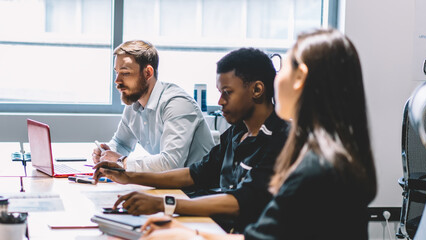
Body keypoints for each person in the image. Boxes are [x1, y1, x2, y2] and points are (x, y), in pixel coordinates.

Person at [139, 28, 377, 240]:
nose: (277, 77)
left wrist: (187, 233)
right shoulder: (331, 156)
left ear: (300, 77)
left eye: (284, 66)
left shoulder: (314, 166)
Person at [93, 48, 290, 232]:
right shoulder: (237, 133)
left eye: (227, 93)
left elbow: (244, 200)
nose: (220, 101)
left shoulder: (282, 139)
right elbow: (195, 174)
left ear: (257, 90)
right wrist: (128, 176)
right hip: (218, 226)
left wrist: (165, 204)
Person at [92, 40, 215, 172]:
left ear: (148, 73)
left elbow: (170, 164)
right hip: (169, 185)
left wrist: (121, 161)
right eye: (117, 72)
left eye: (125, 73)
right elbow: (121, 143)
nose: (117, 81)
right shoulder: (135, 103)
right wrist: (107, 152)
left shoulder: (177, 104)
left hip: (198, 190)